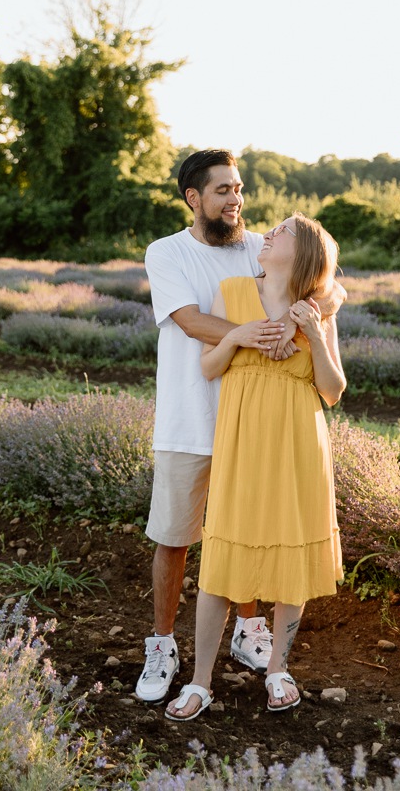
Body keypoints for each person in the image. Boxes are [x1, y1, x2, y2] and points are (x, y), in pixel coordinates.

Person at [165, 213, 346, 720]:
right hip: (243, 442)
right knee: (223, 557)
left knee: (292, 550)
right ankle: (201, 682)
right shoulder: (234, 290)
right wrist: (238, 336)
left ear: (304, 250)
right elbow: (207, 365)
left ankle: (277, 669)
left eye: (283, 230)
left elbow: (333, 391)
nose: (268, 233)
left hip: (298, 445)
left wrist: (312, 327)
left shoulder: (318, 311)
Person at [136, 149, 298, 703]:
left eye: (239, 188)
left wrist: (320, 306)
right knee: (175, 536)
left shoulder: (260, 247)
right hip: (190, 417)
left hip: (251, 421)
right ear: (193, 198)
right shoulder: (168, 253)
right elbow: (189, 320)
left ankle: (247, 630)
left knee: (245, 532)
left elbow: (323, 276)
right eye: (224, 190)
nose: (236, 199)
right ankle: (162, 644)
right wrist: (258, 333)